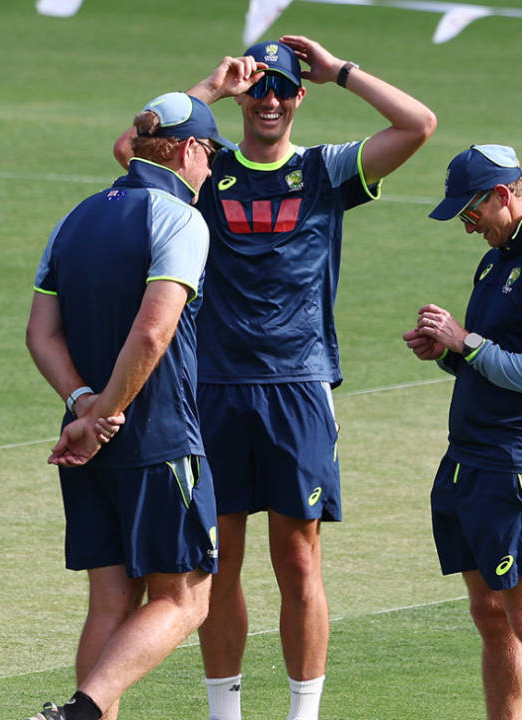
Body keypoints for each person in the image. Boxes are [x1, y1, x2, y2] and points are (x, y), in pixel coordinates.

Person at [113, 36, 435, 720]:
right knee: (220, 562)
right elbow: (131, 149)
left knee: (298, 560)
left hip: (299, 384)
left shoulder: (325, 171)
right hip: (215, 387)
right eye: (257, 89)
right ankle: (225, 714)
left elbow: (418, 125)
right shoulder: (207, 169)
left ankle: (302, 713)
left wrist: (342, 69)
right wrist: (209, 87)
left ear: (299, 95)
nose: (268, 101)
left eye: (281, 88)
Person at [25, 91, 234, 720]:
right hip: (157, 437)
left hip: (84, 439)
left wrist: (83, 406)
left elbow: (41, 332)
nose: (211, 170)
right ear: (190, 149)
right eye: (211, 154)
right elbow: (153, 330)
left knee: (110, 605)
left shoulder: (77, 216)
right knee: (185, 600)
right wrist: (108, 415)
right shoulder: (180, 219)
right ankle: (79, 713)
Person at [403, 144, 522, 720]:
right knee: (490, 613)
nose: (468, 227)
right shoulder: (499, 256)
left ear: (503, 195)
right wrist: (448, 352)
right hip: (471, 458)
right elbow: (490, 355)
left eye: (471, 213)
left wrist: (468, 343)